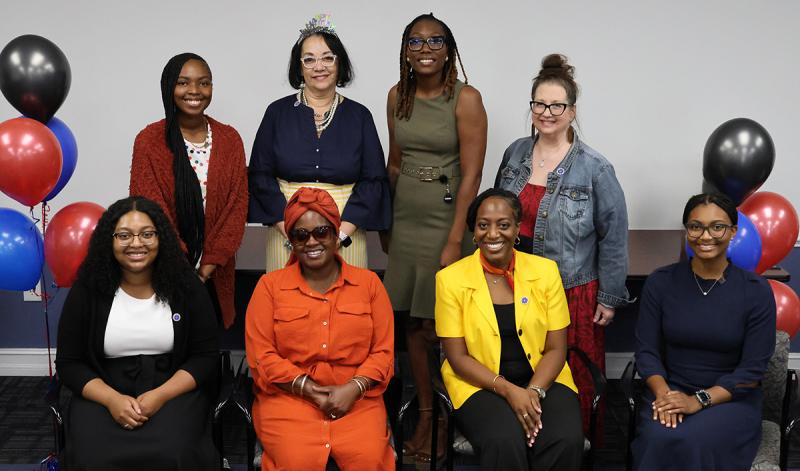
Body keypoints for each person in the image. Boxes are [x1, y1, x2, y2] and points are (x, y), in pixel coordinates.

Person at [494, 53, 629, 433]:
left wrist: (610, 296)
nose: (547, 112)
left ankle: (578, 446)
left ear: (571, 112)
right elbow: (494, 215)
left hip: (571, 291)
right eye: (540, 103)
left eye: (557, 105)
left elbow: (614, 235)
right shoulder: (514, 154)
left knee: (575, 382)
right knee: (518, 370)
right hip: (513, 287)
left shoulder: (595, 168)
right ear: (531, 106)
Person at [383, 13, 487, 462]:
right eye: (416, 41)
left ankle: (446, 420)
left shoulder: (466, 99)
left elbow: (473, 174)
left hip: (445, 220)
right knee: (409, 323)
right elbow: (394, 162)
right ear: (405, 50)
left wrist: (453, 239)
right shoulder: (396, 96)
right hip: (406, 218)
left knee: (437, 326)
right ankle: (424, 415)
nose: (425, 49)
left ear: (449, 49)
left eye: (435, 41)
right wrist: (386, 219)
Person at [55, 196, 220, 469]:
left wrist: (160, 396)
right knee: (92, 457)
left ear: (161, 238)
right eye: (124, 235)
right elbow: (69, 362)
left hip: (171, 388)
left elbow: (205, 357)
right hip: (104, 388)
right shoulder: (88, 288)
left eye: (147, 234)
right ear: (110, 240)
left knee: (175, 453)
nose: (136, 243)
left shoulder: (186, 285)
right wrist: (112, 400)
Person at [245, 187, 395, 470]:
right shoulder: (270, 287)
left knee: (369, 460)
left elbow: (383, 352)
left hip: (357, 400)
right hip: (289, 400)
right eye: (301, 235)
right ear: (291, 240)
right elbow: (261, 356)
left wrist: (354, 387)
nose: (312, 241)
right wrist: (309, 390)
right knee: (295, 462)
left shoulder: (369, 284)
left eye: (322, 232)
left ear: (335, 233)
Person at [435, 189, 584, 470]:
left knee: (565, 439)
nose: (493, 234)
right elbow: (457, 358)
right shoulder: (450, 280)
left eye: (503, 225)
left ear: (517, 229)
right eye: (483, 225)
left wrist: (534, 391)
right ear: (473, 232)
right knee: (504, 440)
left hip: (544, 378)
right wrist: (508, 390)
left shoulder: (546, 271)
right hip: (479, 382)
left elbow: (556, 348)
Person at [632, 193, 776, 470]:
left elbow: (752, 371)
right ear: (687, 231)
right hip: (670, 390)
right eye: (696, 226)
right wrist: (665, 395)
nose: (705, 235)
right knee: (657, 438)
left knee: (692, 440)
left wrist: (698, 400)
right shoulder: (660, 283)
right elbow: (647, 351)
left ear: (733, 231)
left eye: (717, 226)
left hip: (730, 400)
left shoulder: (756, 291)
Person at [248, 13, 391, 271]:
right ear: (299, 66)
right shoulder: (276, 113)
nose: (319, 66)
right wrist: (290, 230)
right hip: (286, 231)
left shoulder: (359, 116)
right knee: (288, 307)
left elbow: (373, 181)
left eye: (328, 58)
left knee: (346, 308)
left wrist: (340, 235)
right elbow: (260, 176)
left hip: (344, 232)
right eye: (309, 59)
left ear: (339, 64)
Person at [130, 52, 248, 329]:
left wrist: (208, 266)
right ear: (169, 86)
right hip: (165, 266)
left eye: (203, 83)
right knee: (165, 340)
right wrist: (182, 267)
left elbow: (236, 206)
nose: (194, 91)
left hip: (215, 269)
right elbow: (150, 209)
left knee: (207, 343)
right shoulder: (149, 141)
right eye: (183, 83)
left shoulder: (230, 139)